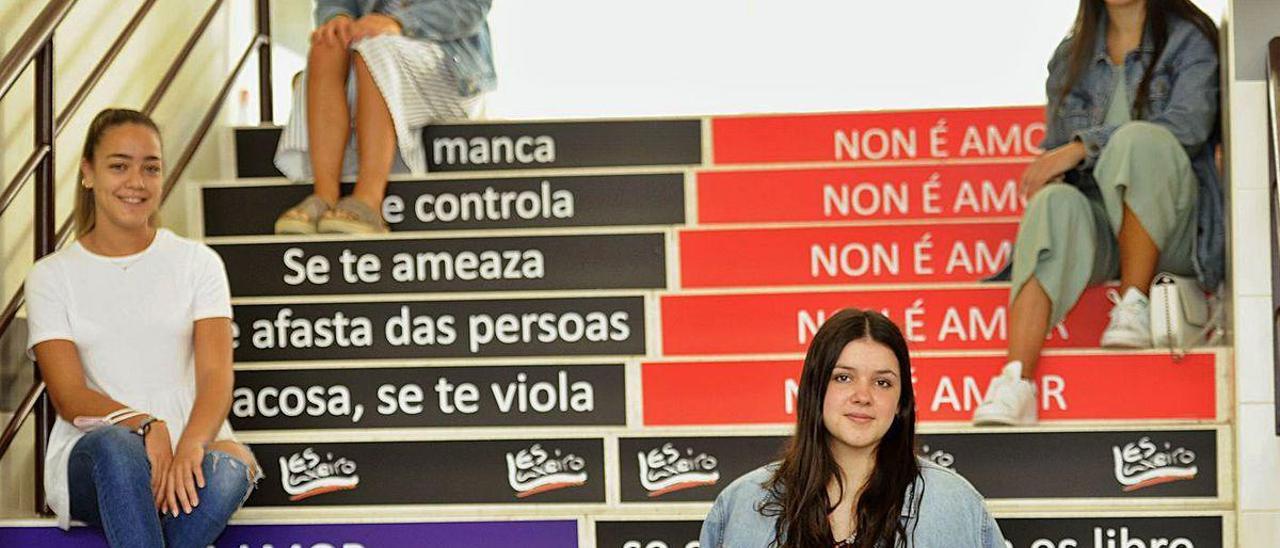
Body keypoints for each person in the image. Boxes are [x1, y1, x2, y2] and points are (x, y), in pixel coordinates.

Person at [973, 0, 1223, 426]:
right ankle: (1017, 380)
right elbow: (1056, 156)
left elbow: (1190, 126)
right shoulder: (1071, 56)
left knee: (1139, 141)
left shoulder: (1188, 38)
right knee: (1053, 202)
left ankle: (1133, 303)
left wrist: (1080, 147)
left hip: (1178, 227)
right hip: (1105, 230)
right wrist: (1054, 175)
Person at [26, 108, 260, 547]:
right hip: (96, 454)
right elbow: (69, 396)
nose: (136, 181)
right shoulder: (50, 276)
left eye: (150, 168)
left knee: (229, 471)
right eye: (119, 165)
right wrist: (146, 427)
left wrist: (191, 444)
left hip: (188, 446)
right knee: (118, 448)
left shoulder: (199, 263)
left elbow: (215, 375)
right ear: (88, 173)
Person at [700, 309, 1004, 547]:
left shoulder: (954, 505)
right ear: (815, 389)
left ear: (901, 403)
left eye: (882, 382)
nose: (863, 396)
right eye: (843, 377)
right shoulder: (741, 506)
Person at [273, 0, 496, 234]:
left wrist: (398, 23)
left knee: (376, 50)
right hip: (370, 50)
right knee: (326, 45)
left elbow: (470, 7)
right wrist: (338, 18)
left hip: (449, 62)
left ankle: (369, 201)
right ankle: (324, 196)